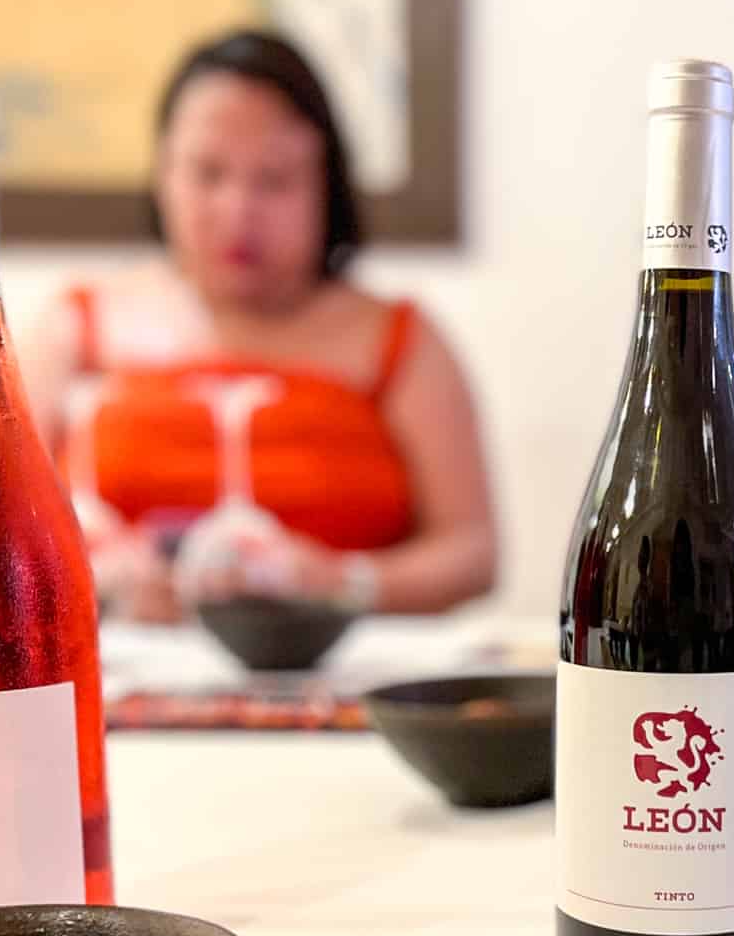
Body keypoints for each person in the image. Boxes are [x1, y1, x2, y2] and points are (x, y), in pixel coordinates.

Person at [33, 30, 495, 621]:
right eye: (207, 173)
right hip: (125, 671)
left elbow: (472, 552)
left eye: (274, 179)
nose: (237, 210)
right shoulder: (76, 327)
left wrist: (344, 582)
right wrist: (98, 580)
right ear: (163, 174)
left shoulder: (400, 339)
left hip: (340, 674)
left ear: (325, 186)